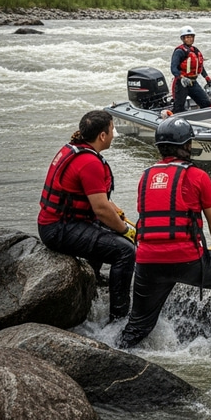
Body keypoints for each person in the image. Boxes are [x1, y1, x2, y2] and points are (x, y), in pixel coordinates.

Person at [118, 116, 211, 348]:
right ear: (187, 146)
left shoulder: (145, 177)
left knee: (138, 326)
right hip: (188, 260)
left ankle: (119, 350)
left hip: (147, 261)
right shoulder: (197, 176)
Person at [38, 110, 135, 323]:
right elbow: (100, 209)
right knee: (126, 250)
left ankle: (93, 277)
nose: (112, 134)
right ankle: (119, 318)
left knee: (108, 227)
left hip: (57, 222)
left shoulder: (73, 150)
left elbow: (96, 201)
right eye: (111, 130)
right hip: (58, 228)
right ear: (102, 135)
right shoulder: (89, 162)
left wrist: (114, 213)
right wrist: (125, 230)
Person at [170, 26, 211, 114]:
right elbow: (173, 68)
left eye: (191, 37)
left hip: (193, 82)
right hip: (181, 83)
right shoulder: (179, 51)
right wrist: (181, 77)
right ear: (182, 39)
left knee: (206, 103)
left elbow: (199, 65)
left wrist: (206, 77)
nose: (189, 39)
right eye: (187, 37)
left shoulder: (195, 51)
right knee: (178, 108)